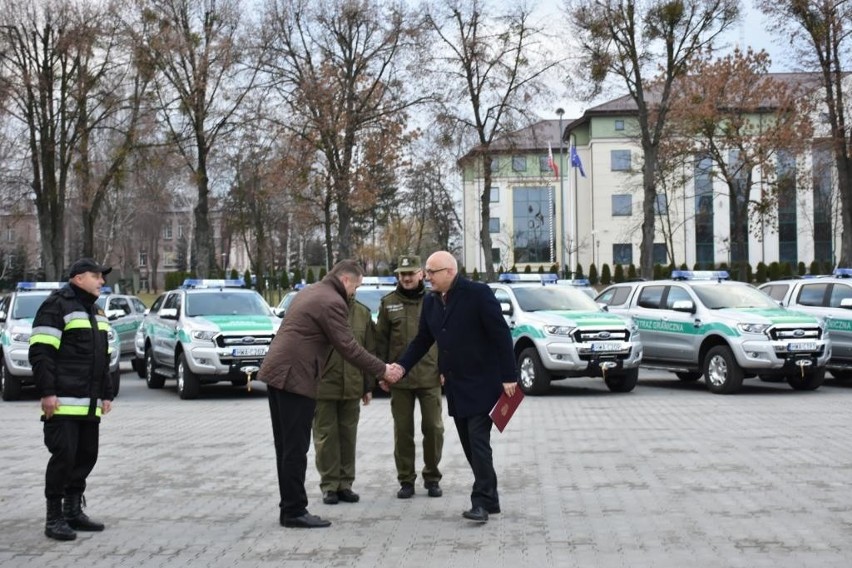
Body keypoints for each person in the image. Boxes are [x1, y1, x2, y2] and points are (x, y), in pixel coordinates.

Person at [259, 259, 402, 529]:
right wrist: (383, 369)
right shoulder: (332, 302)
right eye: (356, 287)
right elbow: (348, 347)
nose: (354, 294)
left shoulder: (311, 291)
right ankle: (294, 511)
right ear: (346, 280)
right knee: (295, 448)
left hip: (278, 373)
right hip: (295, 378)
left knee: (286, 447)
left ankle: (289, 507)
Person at [395, 251, 518, 523]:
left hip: (484, 383)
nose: (426, 277)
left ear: (450, 271)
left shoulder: (478, 294)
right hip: (456, 385)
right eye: (426, 272)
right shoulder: (431, 302)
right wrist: (402, 367)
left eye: (432, 272)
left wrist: (510, 376)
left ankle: (481, 502)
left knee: (478, 441)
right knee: (469, 445)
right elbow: (422, 341)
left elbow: (500, 334)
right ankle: (491, 497)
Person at [29, 258, 115, 541]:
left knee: (86, 456)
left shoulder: (96, 310)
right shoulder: (56, 306)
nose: (101, 281)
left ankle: (73, 511)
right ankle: (53, 518)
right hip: (63, 400)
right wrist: (47, 392)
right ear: (78, 278)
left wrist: (106, 393)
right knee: (64, 457)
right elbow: (42, 353)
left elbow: (102, 357)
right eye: (96, 276)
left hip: (89, 402)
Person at [375, 255, 444, 500]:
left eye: (410, 273)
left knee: (434, 429)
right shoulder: (388, 303)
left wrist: (446, 368)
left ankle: (432, 477)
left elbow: (445, 338)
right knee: (403, 431)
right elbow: (380, 342)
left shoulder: (435, 301)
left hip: (430, 376)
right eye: (402, 274)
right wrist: (381, 373)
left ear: (421, 274)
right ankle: (406, 480)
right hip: (399, 379)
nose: (406, 277)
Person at [312, 295, 376, 506]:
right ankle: (329, 485)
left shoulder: (362, 313)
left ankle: (345, 484)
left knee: (348, 436)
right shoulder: (321, 309)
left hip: (353, 384)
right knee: (326, 437)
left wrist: (367, 385)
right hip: (324, 385)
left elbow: (368, 350)